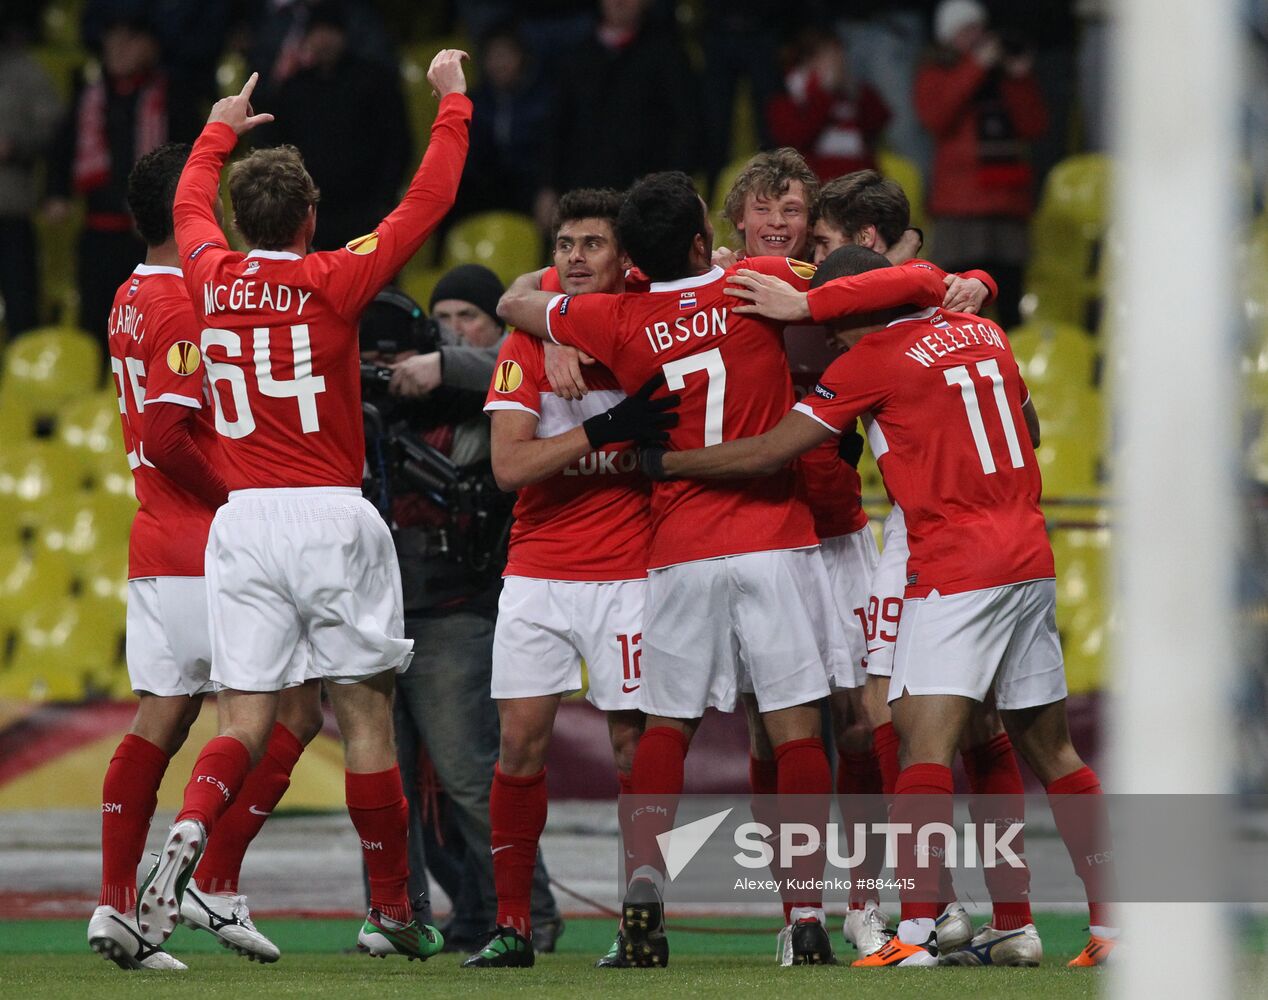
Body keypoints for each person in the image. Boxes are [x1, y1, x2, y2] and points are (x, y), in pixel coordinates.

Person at [498, 170, 954, 967]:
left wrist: (557, 330)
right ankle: (805, 920)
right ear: (707, 237)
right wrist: (814, 303)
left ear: (632, 255)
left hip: (676, 547)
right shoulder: (765, 281)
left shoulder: (615, 316)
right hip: (776, 536)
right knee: (796, 727)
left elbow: (516, 302)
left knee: (666, 728)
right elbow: (910, 279)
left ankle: (645, 897)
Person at [645, 244, 1115, 969]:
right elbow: (1030, 430)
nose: (827, 341)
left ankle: (916, 938)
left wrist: (670, 462)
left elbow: (773, 451)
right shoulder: (983, 332)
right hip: (1028, 555)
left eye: (832, 325)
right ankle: (1115, 926)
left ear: (852, 309)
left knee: (921, 749)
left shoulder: (869, 360)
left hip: (957, 564)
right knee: (1052, 748)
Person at [137, 52, 469, 960]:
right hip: (330, 514)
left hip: (241, 523)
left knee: (244, 719)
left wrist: (216, 126)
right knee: (363, 713)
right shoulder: (338, 276)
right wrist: (453, 103)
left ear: (243, 222)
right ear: (312, 218)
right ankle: (395, 911)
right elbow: (427, 202)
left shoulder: (206, 271)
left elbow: (187, 206)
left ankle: (192, 828)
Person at [88, 142, 323, 971]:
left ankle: (119, 908)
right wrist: (239, 492)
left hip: (154, 539)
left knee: (162, 719)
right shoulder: (186, 301)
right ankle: (213, 879)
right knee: (290, 714)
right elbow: (167, 432)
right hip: (208, 542)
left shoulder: (125, 296)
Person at [812, 170, 1040, 965]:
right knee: (959, 724)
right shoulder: (961, 307)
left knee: (910, 721)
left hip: (932, 531)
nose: (810, 257)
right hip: (987, 533)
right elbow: (1024, 419)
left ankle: (922, 916)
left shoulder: (879, 326)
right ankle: (991, 917)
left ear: (863, 243)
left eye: (821, 241)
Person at [463, 188, 666, 969]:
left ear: (625, 260)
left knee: (631, 748)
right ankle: (512, 925)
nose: (576, 257)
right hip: (540, 571)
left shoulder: (648, 322)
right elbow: (511, 466)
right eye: (565, 245)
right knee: (518, 747)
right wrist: (606, 428)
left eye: (593, 245)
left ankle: (642, 921)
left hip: (631, 573)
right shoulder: (526, 343)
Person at [376, 265, 564, 952]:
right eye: (443, 316)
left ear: (497, 325)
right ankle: (413, 919)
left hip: (458, 608)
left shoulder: (504, 375)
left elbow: (505, 366)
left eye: (469, 316)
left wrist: (442, 363)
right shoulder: (392, 397)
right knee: (391, 786)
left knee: (467, 777)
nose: (453, 327)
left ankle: (530, 916)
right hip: (381, 612)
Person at [44, 12, 202, 343]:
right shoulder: (90, 98)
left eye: (129, 40)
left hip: (154, 240)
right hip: (98, 233)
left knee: (151, 328)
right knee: (95, 323)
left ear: (150, 47)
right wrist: (56, 194)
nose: (118, 48)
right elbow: (60, 151)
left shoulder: (174, 99)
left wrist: (160, 209)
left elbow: (193, 161)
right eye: (112, 40)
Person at [915, 0, 1048, 328]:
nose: (976, 37)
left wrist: (1019, 77)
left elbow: (1035, 126)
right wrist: (976, 66)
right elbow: (938, 116)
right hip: (961, 210)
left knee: (1008, 304)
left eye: (979, 29)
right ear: (947, 36)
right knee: (960, 308)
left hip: (1006, 204)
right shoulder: (936, 72)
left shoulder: (1002, 77)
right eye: (966, 31)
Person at [254, 1, 412, 252]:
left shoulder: (373, 81)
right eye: (317, 32)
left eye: (331, 32)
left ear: (344, 35)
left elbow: (397, 142)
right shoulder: (291, 90)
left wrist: (384, 198)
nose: (324, 40)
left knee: (373, 282)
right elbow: (271, 144)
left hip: (366, 212)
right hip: (310, 213)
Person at [534, 0, 699, 232]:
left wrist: (670, 187)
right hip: (582, 193)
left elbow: (686, 127)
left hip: (645, 198)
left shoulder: (668, 55)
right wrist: (547, 186)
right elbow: (555, 129)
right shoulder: (576, 56)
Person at [0, 14, 61, 334]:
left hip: (11, 208)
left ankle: (22, 381)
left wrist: (15, 146)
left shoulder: (24, 71)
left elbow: (54, 127)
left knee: (21, 307)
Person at [766, 30, 890, 183]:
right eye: (829, 57)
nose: (838, 63)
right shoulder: (787, 98)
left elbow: (878, 123)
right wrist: (824, 94)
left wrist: (856, 93)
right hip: (815, 185)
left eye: (840, 56)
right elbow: (797, 141)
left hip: (861, 184)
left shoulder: (852, 92)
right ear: (808, 61)